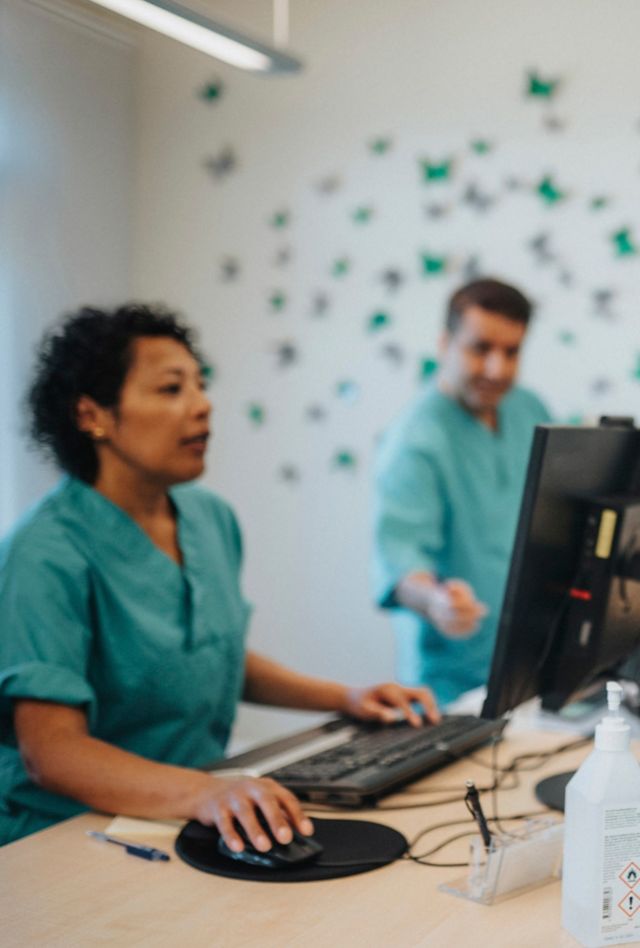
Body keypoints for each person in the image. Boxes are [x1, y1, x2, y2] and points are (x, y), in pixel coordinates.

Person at [0, 304, 438, 849]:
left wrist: (345, 697)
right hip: (66, 834)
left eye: (201, 385)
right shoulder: (45, 553)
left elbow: (216, 656)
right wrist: (205, 793)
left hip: (185, 810)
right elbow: (52, 753)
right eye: (170, 389)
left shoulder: (210, 518)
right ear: (93, 416)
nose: (203, 406)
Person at [372, 278, 551, 706]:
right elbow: (402, 560)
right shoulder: (415, 441)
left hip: (529, 664)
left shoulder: (529, 408)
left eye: (511, 352)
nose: (497, 369)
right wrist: (436, 600)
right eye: (480, 349)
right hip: (450, 683)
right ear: (445, 343)